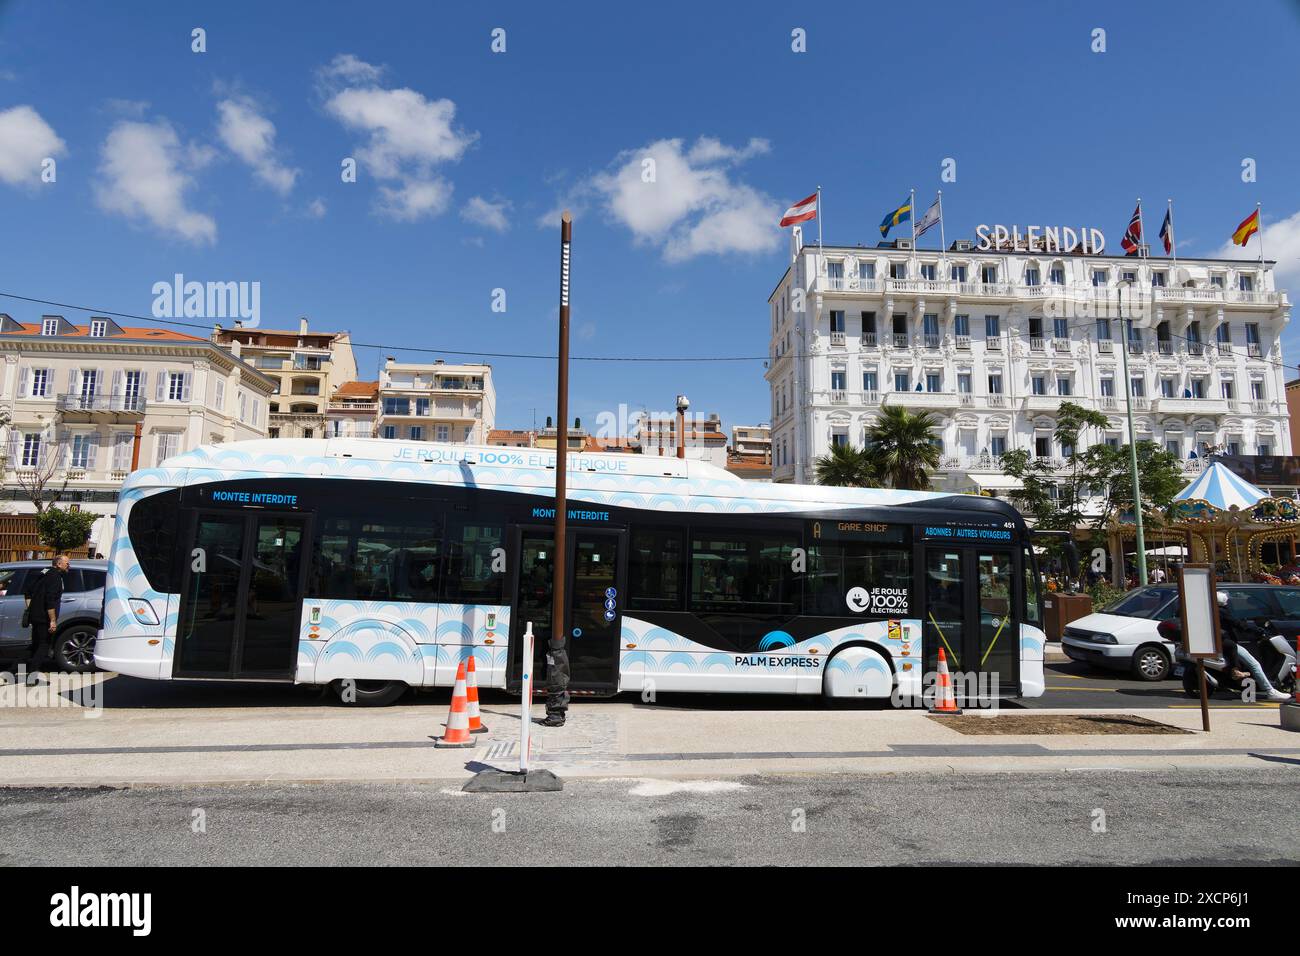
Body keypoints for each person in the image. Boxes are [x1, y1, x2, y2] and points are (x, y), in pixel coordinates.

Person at [1216, 591, 1291, 702]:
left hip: (1217, 641)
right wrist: (1254, 630)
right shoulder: (1222, 612)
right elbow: (1237, 623)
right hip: (1226, 641)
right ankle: (1270, 691)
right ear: (1224, 602)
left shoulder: (1212, 611)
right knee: (1254, 664)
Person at [23, 554, 69, 676]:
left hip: (35, 615)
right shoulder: (55, 577)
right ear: (59, 564)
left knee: (34, 646)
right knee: (44, 645)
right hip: (44, 618)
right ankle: (32, 676)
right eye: (67, 563)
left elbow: (27, 592)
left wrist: (30, 609)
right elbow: (50, 600)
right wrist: (53, 620)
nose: (69, 565)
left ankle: (11, 671)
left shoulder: (44, 572)